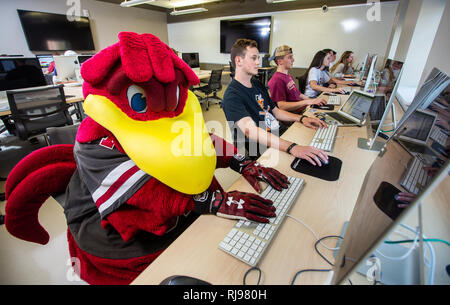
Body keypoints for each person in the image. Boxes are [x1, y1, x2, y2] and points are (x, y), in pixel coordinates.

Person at [222, 38, 329, 165]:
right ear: (238, 60)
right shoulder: (232, 96)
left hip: (280, 133)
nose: (258, 62)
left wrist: (302, 119)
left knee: (318, 144)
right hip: (262, 146)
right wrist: (292, 147)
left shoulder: (256, 83)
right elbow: (250, 131)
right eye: (253, 58)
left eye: (258, 58)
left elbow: (276, 111)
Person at [268, 45, 327, 114]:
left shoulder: (288, 76)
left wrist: (313, 100)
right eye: (290, 57)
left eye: (292, 57)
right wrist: (306, 102)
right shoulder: (277, 80)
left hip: (302, 109)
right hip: (295, 115)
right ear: (280, 61)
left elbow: (298, 94)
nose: (293, 60)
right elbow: (282, 106)